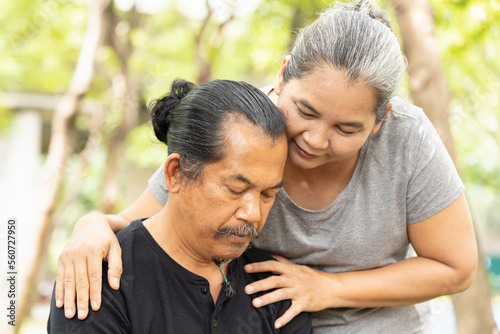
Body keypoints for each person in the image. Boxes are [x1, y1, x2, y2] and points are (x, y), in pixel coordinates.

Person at [54, 1, 478, 333]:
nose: (315, 139)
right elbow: (148, 220)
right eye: (305, 111)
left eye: (346, 129)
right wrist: (89, 225)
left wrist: (328, 288)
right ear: (283, 74)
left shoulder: (406, 138)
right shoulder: (247, 127)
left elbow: (455, 267)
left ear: (380, 119)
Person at [48, 79, 312, 333]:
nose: (253, 213)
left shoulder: (277, 289)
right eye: (236, 189)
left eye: (267, 194)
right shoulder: (99, 280)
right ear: (176, 174)